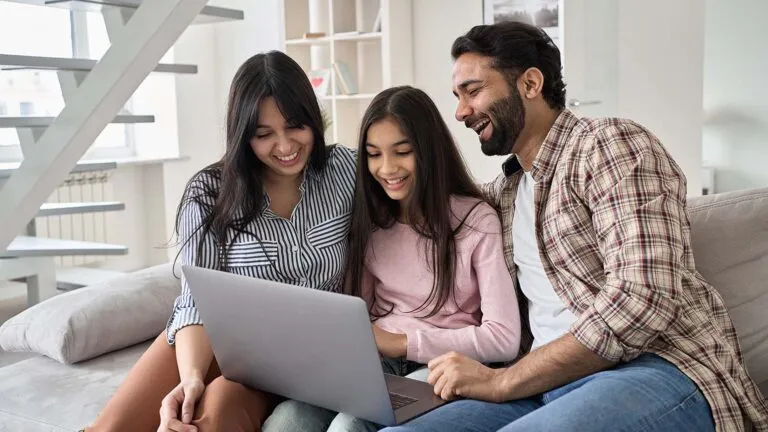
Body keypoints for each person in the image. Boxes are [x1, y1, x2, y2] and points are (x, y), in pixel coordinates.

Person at [381, 22, 768, 432]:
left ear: (530, 83)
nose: (460, 112)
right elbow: (427, 208)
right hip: (540, 385)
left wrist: (503, 380)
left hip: (655, 369)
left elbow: (644, 299)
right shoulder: (505, 194)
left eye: (473, 91)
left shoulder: (610, 145)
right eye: (457, 97)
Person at [84, 50, 357, 432]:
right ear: (244, 136)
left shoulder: (345, 171)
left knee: (214, 413)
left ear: (313, 118)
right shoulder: (208, 192)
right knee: (112, 428)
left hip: (293, 353)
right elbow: (196, 299)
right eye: (264, 135)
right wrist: (191, 376)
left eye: (295, 126)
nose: (284, 145)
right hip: (211, 334)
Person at [261, 86, 521, 432]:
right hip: (376, 362)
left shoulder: (475, 221)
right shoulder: (372, 224)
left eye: (402, 152)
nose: (387, 168)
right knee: (287, 420)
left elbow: (503, 337)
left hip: (441, 365)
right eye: (373, 154)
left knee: (350, 426)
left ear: (429, 151)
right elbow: (357, 314)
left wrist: (401, 343)